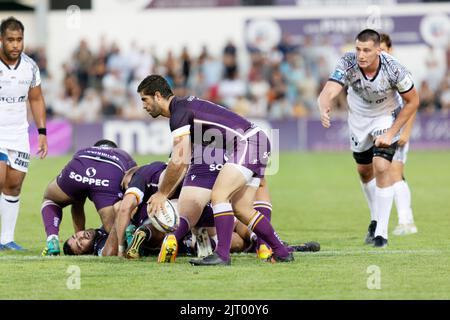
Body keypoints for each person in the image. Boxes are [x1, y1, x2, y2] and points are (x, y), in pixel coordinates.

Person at [137, 74, 293, 265]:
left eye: (145, 99)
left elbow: (179, 160)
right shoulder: (184, 107)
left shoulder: (179, 112)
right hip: (256, 141)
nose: (143, 106)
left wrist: (162, 193)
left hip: (248, 142)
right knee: (242, 209)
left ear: (158, 95)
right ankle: (281, 251)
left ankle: (222, 255)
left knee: (219, 195)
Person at [318, 29, 419, 247]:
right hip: (359, 119)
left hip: (385, 117)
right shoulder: (347, 62)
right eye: (358, 49)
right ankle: (375, 219)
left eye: (366, 50)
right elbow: (329, 89)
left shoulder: (394, 69)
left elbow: (413, 101)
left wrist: (392, 132)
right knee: (364, 172)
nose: (361, 55)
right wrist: (324, 103)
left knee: (382, 166)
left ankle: (382, 233)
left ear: (379, 51)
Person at [0, 17, 48, 251]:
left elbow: (36, 98)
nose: (15, 45)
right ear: (1, 40)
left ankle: (6, 239)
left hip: (18, 134)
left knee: (14, 185)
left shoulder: (30, 66)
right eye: (10, 40)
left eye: (19, 40)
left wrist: (42, 132)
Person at [40, 139, 136, 256]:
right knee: (115, 229)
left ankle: (52, 237)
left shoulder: (85, 150)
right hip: (109, 174)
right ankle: (130, 241)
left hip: (79, 168)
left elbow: (77, 203)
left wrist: (80, 234)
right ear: (114, 148)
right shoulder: (123, 154)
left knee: (50, 199)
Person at [379, 33, 418, 235]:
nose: (380, 54)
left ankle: (406, 222)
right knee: (393, 174)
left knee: (394, 173)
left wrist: (406, 132)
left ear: (390, 50)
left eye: (383, 50)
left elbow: (411, 104)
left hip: (398, 129)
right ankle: (407, 218)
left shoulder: (398, 71)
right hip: (384, 129)